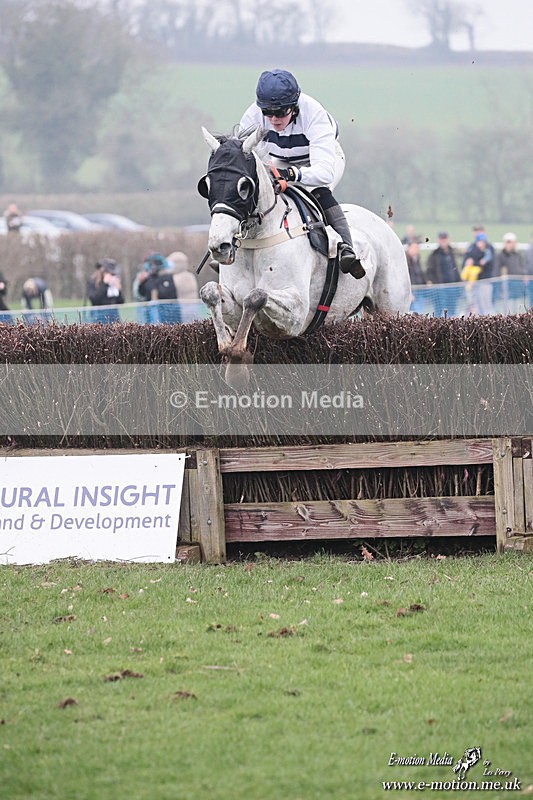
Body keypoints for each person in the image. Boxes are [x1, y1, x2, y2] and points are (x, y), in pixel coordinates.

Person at [238, 68, 365, 280]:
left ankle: (346, 248)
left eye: (280, 113)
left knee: (317, 190)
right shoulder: (252, 116)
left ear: (294, 107)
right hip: (276, 160)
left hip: (318, 160)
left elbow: (324, 172)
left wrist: (291, 175)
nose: (274, 119)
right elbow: (245, 157)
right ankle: (235, 244)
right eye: (268, 113)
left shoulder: (314, 114)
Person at [136, 252, 179, 323]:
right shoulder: (149, 279)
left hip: (168, 313)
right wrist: (141, 283)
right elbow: (142, 293)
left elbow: (169, 294)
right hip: (150, 314)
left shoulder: (168, 277)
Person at [426, 232, 461, 317]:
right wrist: (432, 281)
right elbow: (429, 270)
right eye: (441, 239)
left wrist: (459, 281)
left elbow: (455, 267)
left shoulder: (452, 252)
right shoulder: (434, 254)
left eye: (445, 239)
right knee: (439, 309)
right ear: (438, 240)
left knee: (452, 309)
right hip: (440, 287)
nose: (443, 241)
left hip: (453, 286)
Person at [86, 258, 124, 322]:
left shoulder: (113, 282)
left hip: (113, 316)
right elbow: (94, 300)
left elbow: (120, 302)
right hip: (98, 315)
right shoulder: (92, 281)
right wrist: (104, 284)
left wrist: (119, 290)